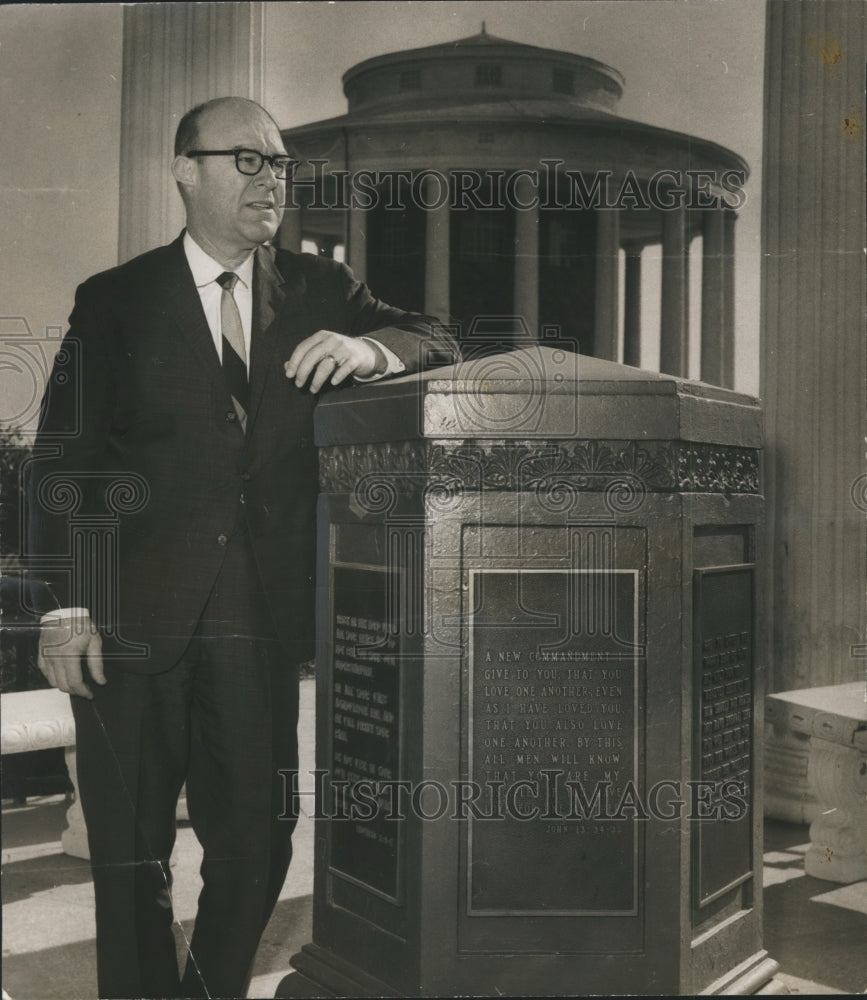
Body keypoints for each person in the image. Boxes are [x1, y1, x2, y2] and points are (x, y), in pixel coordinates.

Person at [26, 96, 458, 1000]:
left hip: (258, 631)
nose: (273, 181)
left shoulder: (323, 291)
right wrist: (65, 608)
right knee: (129, 857)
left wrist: (369, 350)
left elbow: (436, 336)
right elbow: (63, 465)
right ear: (186, 170)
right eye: (249, 160)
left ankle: (209, 990)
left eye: (282, 165)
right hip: (130, 631)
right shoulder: (114, 300)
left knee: (260, 842)